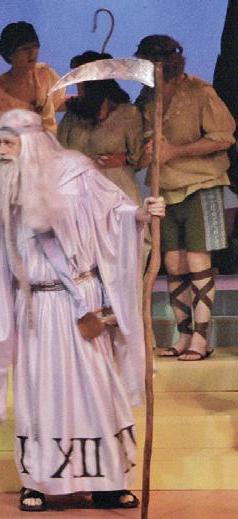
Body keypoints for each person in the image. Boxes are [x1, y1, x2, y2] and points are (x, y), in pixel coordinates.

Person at [0, 109, 166, 512]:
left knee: (95, 390)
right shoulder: (3, 186)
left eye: (9, 143)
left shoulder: (76, 174)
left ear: (31, 142)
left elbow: (116, 214)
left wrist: (144, 213)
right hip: (35, 307)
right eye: (0, 143)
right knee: (40, 392)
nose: (2, 150)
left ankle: (108, 481)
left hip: (80, 303)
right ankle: (38, 481)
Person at [135, 35, 236, 361]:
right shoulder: (147, 98)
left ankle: (201, 339)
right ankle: (183, 334)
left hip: (200, 184)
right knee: (173, 263)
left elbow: (223, 137)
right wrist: (147, 152)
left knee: (197, 261)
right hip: (165, 189)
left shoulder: (199, 92)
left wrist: (176, 151)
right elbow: (141, 142)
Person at [58, 52, 144, 206]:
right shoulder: (73, 115)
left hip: (117, 193)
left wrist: (118, 159)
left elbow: (137, 157)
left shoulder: (127, 113)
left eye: (81, 82)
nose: (78, 87)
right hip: (82, 193)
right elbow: (60, 152)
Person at [0, 21, 64, 135]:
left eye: (35, 46)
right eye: (25, 48)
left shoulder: (45, 74)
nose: (32, 52)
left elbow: (57, 103)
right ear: (9, 54)